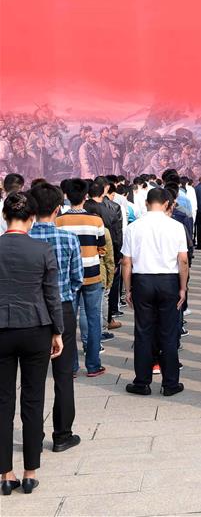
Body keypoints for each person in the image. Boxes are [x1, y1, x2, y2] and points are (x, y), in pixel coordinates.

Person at [0, 192, 65, 495]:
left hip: (2, 328)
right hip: (36, 327)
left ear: (5, 217)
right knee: (33, 399)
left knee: (2, 402)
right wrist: (58, 331)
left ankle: (5, 473)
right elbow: (52, 294)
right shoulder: (42, 249)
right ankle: (30, 470)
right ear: (30, 218)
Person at [28, 183, 83, 453]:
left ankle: (33, 436)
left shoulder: (24, 239)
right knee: (63, 374)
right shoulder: (69, 238)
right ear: (58, 209)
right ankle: (62, 434)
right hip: (63, 308)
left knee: (33, 377)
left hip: (32, 313)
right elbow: (77, 279)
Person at [122, 187, 189, 397]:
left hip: (142, 281)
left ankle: (142, 382)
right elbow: (183, 260)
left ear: (146, 203)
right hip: (169, 280)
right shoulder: (176, 226)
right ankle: (170, 384)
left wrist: (127, 289)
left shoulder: (134, 227)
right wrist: (183, 287)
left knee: (143, 332)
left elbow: (126, 262)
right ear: (167, 204)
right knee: (169, 332)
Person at [56, 179, 107, 378]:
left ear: (66, 196)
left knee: (69, 321)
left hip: (68, 277)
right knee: (94, 320)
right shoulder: (96, 220)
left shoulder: (59, 221)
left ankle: (71, 366)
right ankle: (93, 365)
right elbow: (102, 247)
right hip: (92, 274)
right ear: (86, 196)